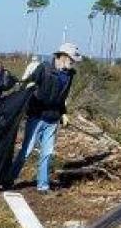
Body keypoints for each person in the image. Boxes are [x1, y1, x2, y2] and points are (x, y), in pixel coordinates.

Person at [9, 42, 82, 194]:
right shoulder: (44, 68)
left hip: (53, 119)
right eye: (71, 59)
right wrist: (28, 88)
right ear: (63, 56)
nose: (73, 62)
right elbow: (29, 83)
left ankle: (43, 185)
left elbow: (62, 98)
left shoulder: (69, 76)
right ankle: (9, 179)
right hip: (37, 116)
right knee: (27, 150)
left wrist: (64, 113)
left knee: (47, 153)